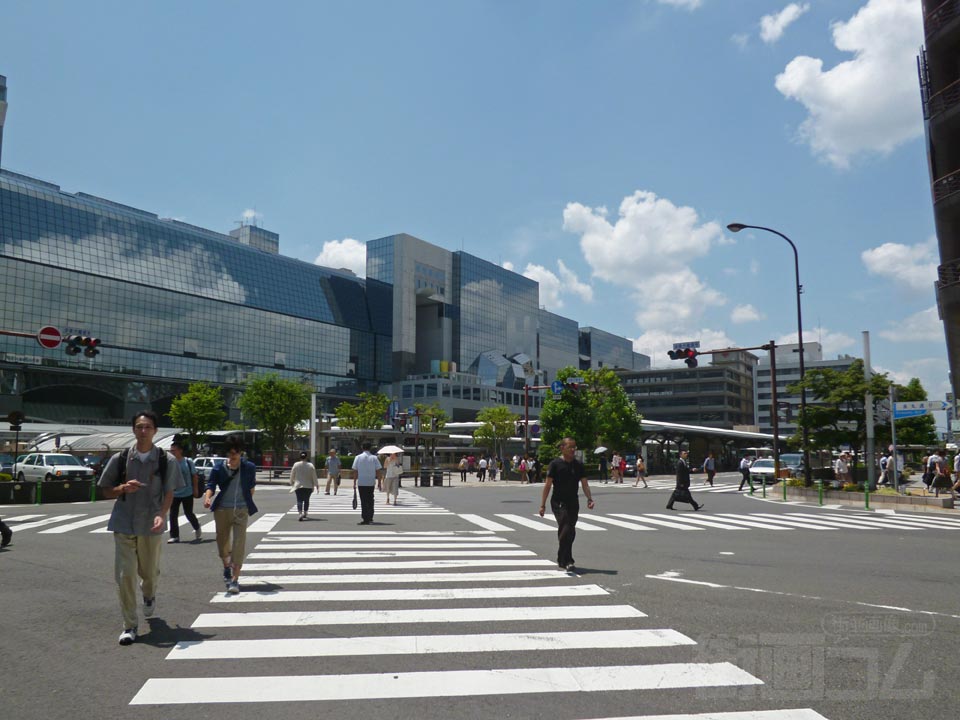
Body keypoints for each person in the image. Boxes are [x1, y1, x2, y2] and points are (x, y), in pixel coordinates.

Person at [98, 411, 179, 646]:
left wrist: (162, 514)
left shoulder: (165, 460)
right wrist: (122, 488)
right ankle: (129, 625)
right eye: (139, 427)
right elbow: (105, 490)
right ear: (133, 429)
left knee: (149, 573)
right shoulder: (121, 458)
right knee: (125, 575)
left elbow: (170, 491)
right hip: (124, 522)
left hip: (151, 524)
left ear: (155, 431)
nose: (143, 431)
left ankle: (149, 594)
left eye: (148, 427)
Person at [203, 435, 258, 595]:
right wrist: (207, 497)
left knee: (239, 542)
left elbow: (251, 487)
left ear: (241, 452)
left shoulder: (249, 467)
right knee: (222, 541)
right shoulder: (219, 468)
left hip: (241, 509)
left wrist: (247, 502)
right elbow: (211, 485)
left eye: (236, 453)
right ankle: (226, 566)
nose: (233, 456)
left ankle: (235, 579)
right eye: (230, 453)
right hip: (222, 509)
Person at [539, 437, 595, 571]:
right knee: (566, 527)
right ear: (562, 448)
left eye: (574, 447)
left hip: (573, 502)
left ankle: (561, 557)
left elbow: (585, 484)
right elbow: (548, 485)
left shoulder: (578, 465)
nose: (573, 450)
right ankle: (568, 560)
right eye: (570, 447)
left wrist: (589, 498)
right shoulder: (555, 464)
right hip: (558, 501)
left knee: (570, 530)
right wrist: (543, 505)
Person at [168, 437, 201, 543]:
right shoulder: (169, 462)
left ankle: (197, 527)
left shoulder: (188, 461)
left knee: (188, 513)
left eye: (174, 450)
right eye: (171, 450)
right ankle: (174, 536)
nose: (172, 452)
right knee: (173, 514)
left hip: (187, 492)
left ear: (180, 450)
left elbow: (194, 476)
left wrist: (195, 489)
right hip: (174, 493)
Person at [352, 442, 382, 524]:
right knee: (370, 499)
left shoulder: (358, 457)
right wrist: (379, 482)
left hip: (361, 482)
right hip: (371, 482)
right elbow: (378, 471)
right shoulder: (374, 458)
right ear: (370, 448)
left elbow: (355, 471)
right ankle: (370, 516)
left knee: (363, 500)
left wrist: (354, 482)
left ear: (362, 447)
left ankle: (365, 518)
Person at [290, 451, 319, 520]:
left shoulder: (296, 464)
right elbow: (314, 476)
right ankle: (305, 512)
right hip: (308, 485)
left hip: (298, 485)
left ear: (300, 457)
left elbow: (292, 474)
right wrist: (316, 485)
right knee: (306, 500)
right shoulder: (310, 465)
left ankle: (300, 513)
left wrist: (291, 482)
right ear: (306, 457)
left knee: (299, 500)